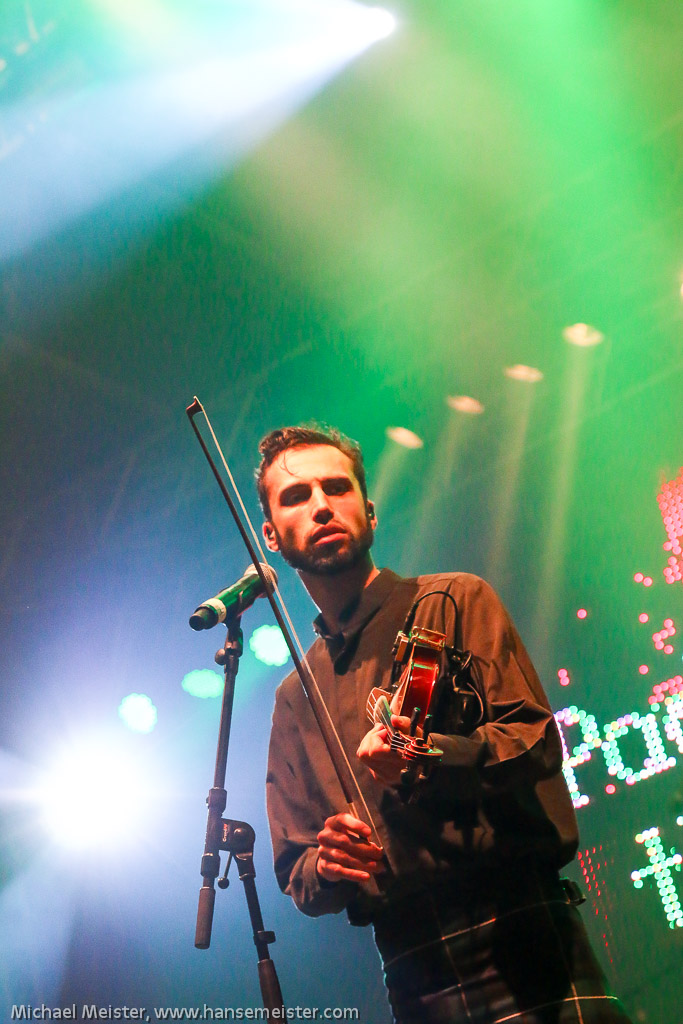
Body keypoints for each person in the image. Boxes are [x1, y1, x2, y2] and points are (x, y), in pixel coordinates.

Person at [257, 425, 632, 1024]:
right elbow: (297, 868)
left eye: (337, 487)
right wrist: (328, 865)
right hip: (411, 968)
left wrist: (425, 758)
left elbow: (534, 740)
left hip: (525, 933)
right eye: (296, 497)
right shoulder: (294, 698)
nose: (321, 505)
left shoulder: (455, 599)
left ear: (370, 512)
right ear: (271, 536)